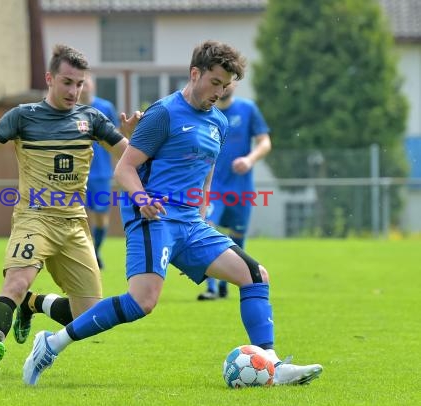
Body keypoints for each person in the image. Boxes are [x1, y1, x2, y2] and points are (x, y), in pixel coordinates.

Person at [22, 40, 323, 386]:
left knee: (255, 275)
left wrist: (203, 212)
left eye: (226, 86)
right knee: (142, 302)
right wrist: (143, 199)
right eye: (215, 82)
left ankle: (271, 363)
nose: (220, 92)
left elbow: (206, 171)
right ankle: (51, 344)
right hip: (154, 218)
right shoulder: (163, 113)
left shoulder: (220, 123)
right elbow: (125, 169)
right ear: (195, 74)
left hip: (191, 225)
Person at [0, 44, 140, 378]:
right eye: (68, 82)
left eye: (79, 84)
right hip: (34, 218)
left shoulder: (93, 119)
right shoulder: (22, 116)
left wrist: (135, 139)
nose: (74, 91)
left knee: (88, 316)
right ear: (49, 78)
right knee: (15, 282)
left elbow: (130, 157)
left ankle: (33, 303)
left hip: (73, 223)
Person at [197, 80, 271, 300]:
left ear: (234, 85)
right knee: (207, 230)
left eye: (227, 82)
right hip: (212, 187)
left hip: (241, 187)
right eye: (218, 82)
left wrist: (249, 160)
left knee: (237, 236)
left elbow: (265, 142)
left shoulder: (247, 109)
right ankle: (210, 287)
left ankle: (226, 285)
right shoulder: (204, 113)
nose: (223, 87)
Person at [79, 74, 120, 269]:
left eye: (86, 83)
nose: (83, 87)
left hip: (101, 173)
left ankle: (96, 250)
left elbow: (117, 138)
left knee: (101, 217)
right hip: (77, 174)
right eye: (81, 84)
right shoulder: (70, 109)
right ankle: (85, 254)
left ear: (93, 86)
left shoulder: (105, 108)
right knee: (79, 216)